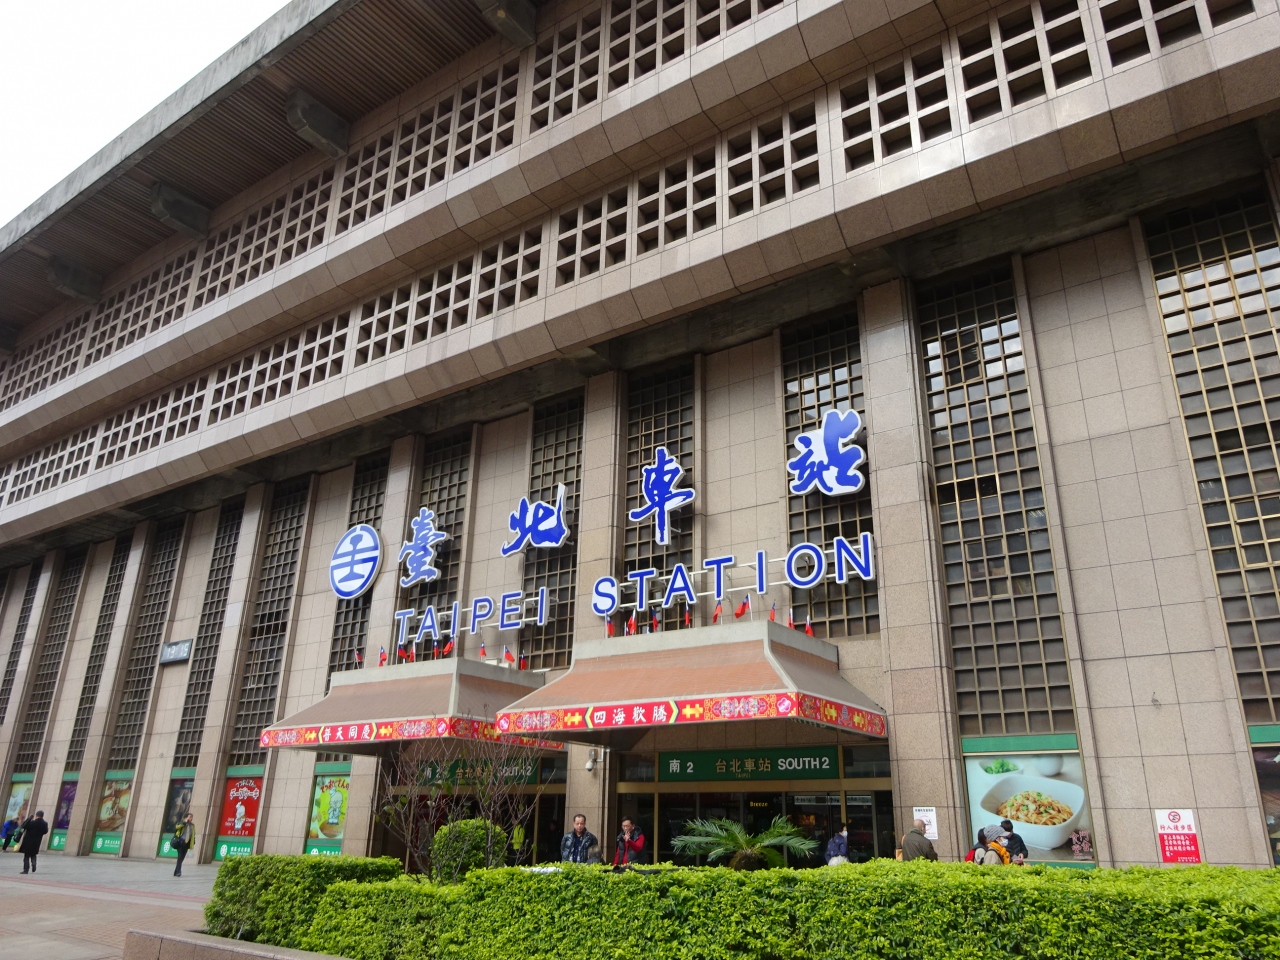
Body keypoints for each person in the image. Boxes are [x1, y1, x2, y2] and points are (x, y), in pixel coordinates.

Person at [17, 810, 47, 875]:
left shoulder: (32, 822)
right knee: (33, 854)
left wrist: (29, 818)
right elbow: (45, 831)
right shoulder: (45, 823)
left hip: (28, 841)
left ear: (36, 815)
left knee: (26, 856)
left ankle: (26, 870)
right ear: (42, 816)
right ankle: (34, 863)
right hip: (37, 841)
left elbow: (23, 826)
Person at [172, 813, 195, 877]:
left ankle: (176, 871)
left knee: (182, 858)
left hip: (187, 843)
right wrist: (184, 822)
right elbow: (177, 827)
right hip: (180, 842)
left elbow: (193, 834)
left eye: (192, 817)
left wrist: (192, 843)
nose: (191, 818)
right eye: (190, 817)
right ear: (186, 817)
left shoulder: (192, 825)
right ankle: (178, 872)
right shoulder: (181, 823)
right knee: (180, 857)